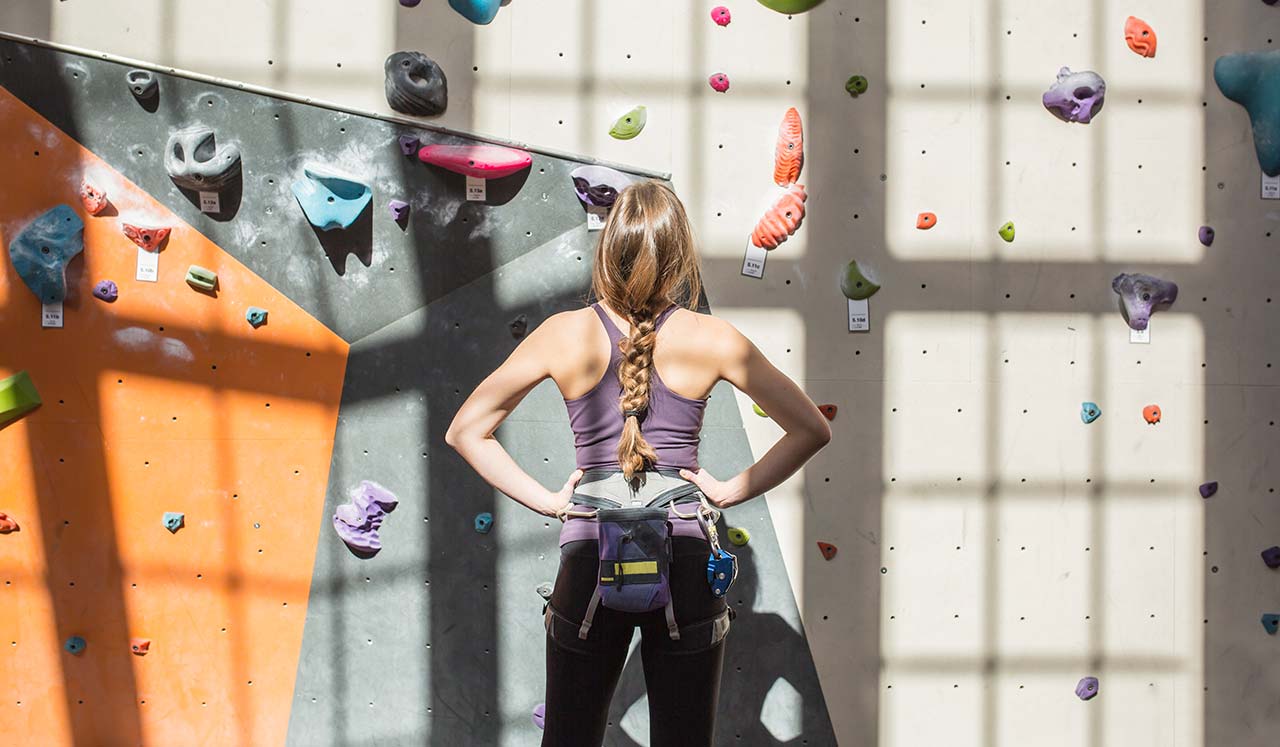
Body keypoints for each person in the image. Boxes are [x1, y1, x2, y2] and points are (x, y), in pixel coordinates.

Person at [444, 179, 831, 746]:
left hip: (589, 555)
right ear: (679, 256)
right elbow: (811, 429)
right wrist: (725, 493)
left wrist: (553, 502)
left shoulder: (562, 334)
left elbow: (465, 431)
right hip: (688, 560)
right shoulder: (715, 337)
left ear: (608, 251)